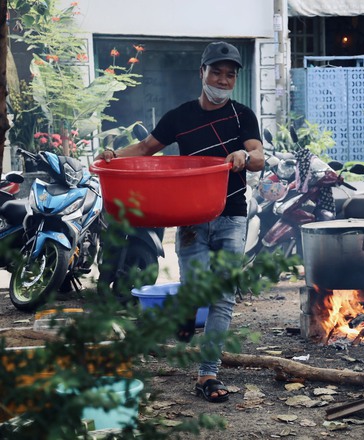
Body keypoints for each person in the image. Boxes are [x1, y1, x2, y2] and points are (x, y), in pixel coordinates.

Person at [97, 41, 264, 403]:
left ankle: (208, 374)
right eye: (216, 72)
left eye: (229, 75)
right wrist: (112, 156)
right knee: (195, 288)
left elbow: (258, 157)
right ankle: (188, 308)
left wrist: (243, 154)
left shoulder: (242, 116)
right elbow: (144, 149)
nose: (222, 80)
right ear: (201, 73)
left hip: (232, 215)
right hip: (190, 220)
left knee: (221, 298)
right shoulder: (180, 116)